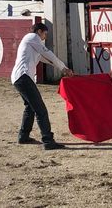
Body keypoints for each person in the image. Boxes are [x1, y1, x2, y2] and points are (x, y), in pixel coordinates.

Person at [11, 22, 74, 150]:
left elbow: (46, 58)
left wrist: (62, 68)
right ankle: (48, 140)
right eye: (45, 34)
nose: (45, 37)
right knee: (40, 109)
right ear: (39, 31)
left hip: (19, 78)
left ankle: (23, 136)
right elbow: (49, 54)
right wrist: (64, 68)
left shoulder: (31, 42)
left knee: (30, 107)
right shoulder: (32, 37)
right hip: (23, 77)